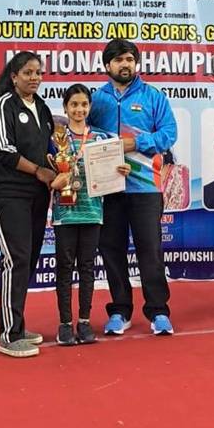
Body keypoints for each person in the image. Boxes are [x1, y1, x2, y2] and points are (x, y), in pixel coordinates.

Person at [87, 39, 177, 336]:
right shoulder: (96, 100)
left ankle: (158, 311)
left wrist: (136, 142)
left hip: (145, 188)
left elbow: (169, 134)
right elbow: (84, 135)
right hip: (107, 187)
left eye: (129, 59)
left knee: (150, 250)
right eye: (118, 60)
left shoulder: (153, 97)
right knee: (111, 250)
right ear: (107, 65)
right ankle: (120, 311)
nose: (125, 64)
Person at [0, 51, 55, 357]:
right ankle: (9, 335)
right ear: (14, 77)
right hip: (8, 193)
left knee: (29, 258)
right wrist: (38, 170)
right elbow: (3, 152)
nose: (34, 78)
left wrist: (60, 168)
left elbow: (49, 150)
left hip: (39, 194)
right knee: (16, 258)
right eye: (28, 73)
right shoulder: (3, 106)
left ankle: (16, 325)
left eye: (38, 72)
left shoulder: (43, 107)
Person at [50, 84, 130, 346]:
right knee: (64, 268)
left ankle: (84, 322)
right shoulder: (56, 139)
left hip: (93, 212)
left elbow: (113, 171)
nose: (79, 109)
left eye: (84, 104)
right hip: (65, 212)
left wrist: (121, 170)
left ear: (90, 107)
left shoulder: (100, 139)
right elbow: (48, 172)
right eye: (74, 104)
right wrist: (54, 180)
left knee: (87, 268)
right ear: (65, 107)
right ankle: (64, 324)